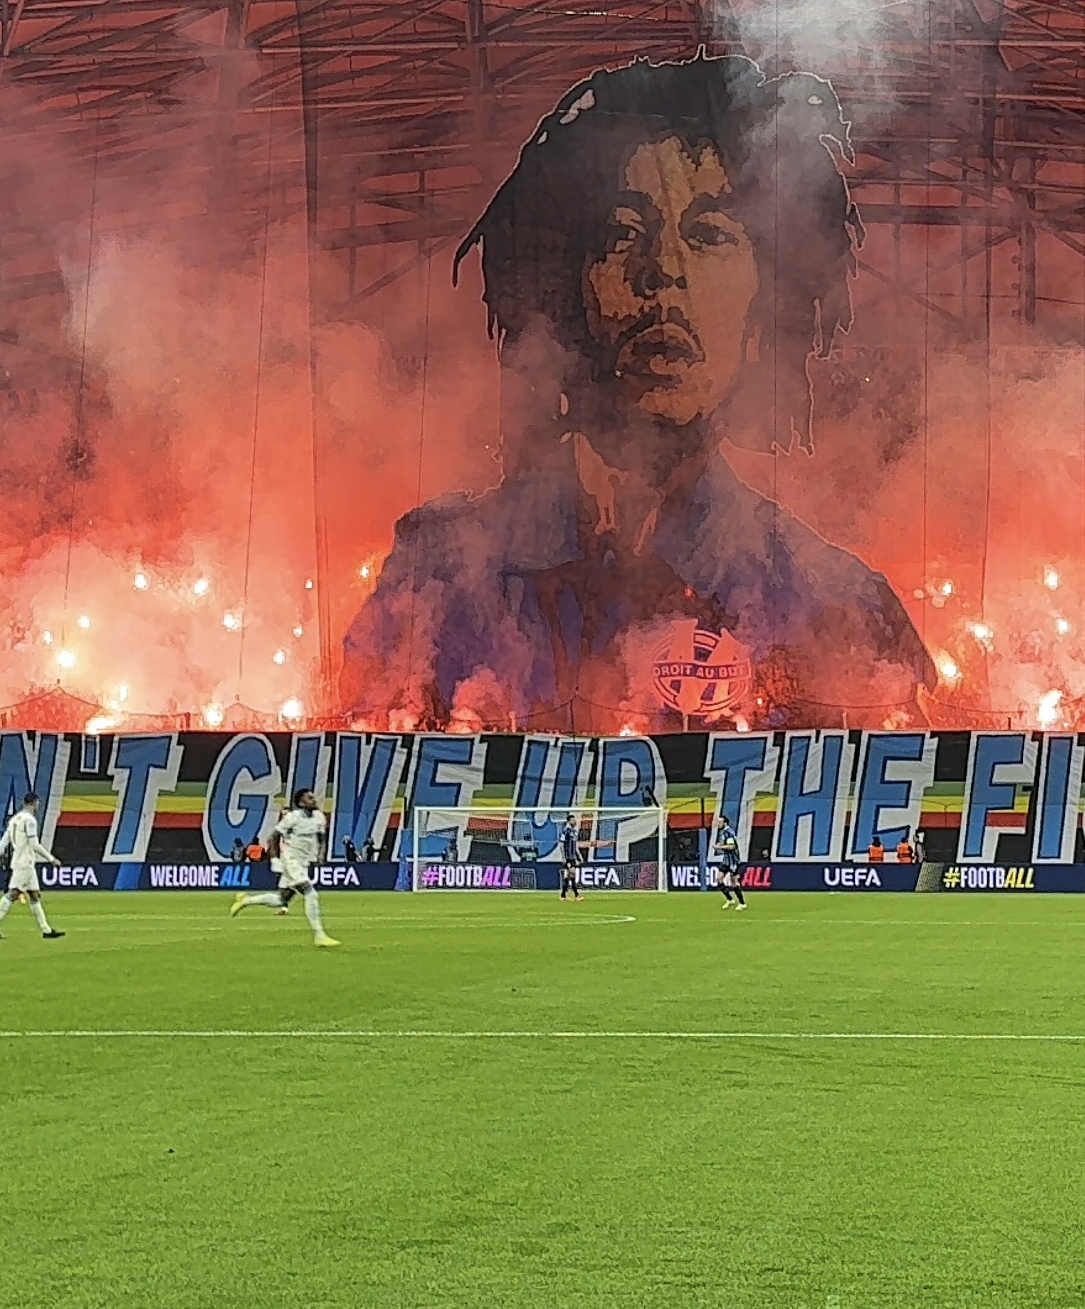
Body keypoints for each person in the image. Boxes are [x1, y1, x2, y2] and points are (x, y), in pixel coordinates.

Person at [338, 57, 934, 732]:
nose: (664, 274)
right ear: (565, 295)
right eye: (623, 235)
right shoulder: (440, 574)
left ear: (766, 307)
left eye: (710, 235)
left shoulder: (834, 604)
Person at [268, 790, 339, 947]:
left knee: (281, 899)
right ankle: (319, 935)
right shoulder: (292, 817)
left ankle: (245, 900)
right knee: (310, 892)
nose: (314, 800)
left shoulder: (319, 817)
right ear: (301, 803)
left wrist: (321, 854)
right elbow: (273, 837)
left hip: (302, 862)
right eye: (310, 798)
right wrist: (274, 859)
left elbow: (322, 838)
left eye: (314, 797)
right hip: (290, 859)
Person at [0, 803, 62, 940]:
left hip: (23, 862)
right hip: (24, 863)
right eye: (37, 803)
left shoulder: (14, 819)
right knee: (13, 894)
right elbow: (34, 844)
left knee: (34, 895)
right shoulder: (30, 820)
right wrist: (51, 858)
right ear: (35, 803)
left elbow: (4, 842)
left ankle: (46, 930)